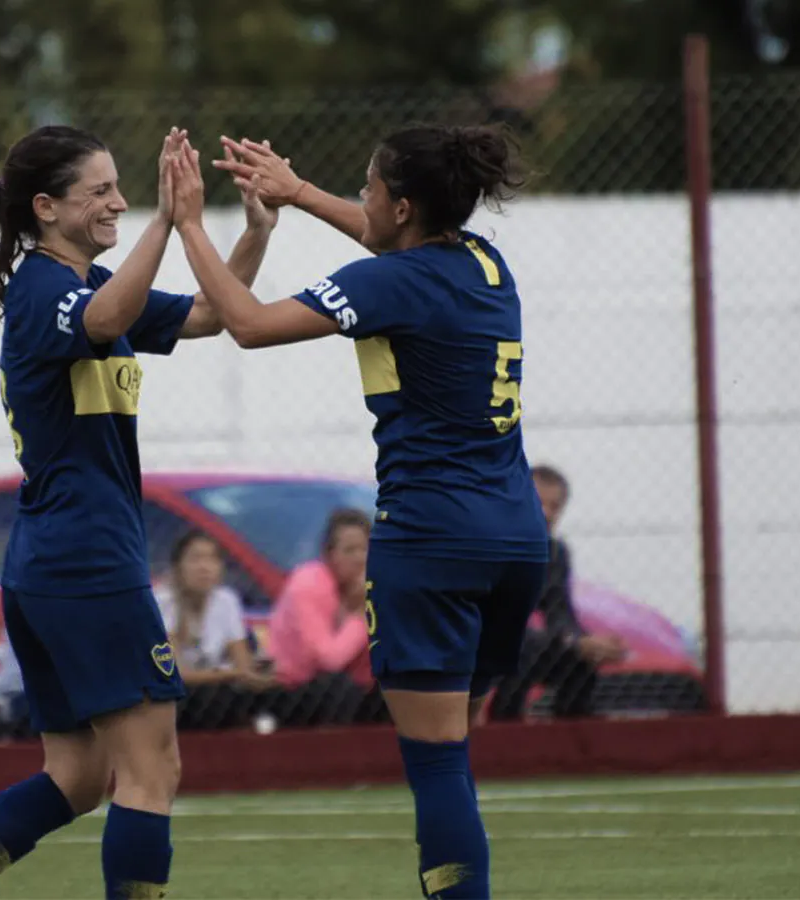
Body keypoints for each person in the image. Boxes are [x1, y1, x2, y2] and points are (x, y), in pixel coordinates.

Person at [0, 124, 278, 900]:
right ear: (46, 207)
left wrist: (256, 231)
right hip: (85, 560)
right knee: (152, 767)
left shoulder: (86, 284)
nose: (118, 203)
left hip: (54, 562)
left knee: (79, 776)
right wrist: (168, 222)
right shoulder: (46, 290)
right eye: (100, 191)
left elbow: (207, 315)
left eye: (121, 189)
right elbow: (101, 322)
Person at [168, 125, 548, 898]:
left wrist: (189, 226)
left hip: (431, 540)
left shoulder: (390, 283)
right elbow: (389, 245)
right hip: (515, 540)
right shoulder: (485, 263)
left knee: (435, 759)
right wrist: (299, 192)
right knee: (455, 747)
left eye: (368, 188)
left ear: (402, 206)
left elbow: (248, 325)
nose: (361, 199)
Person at [488, 465, 627, 721]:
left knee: (579, 661)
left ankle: (573, 734)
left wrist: (584, 643)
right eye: (538, 502)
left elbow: (560, 612)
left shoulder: (554, 553)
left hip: (519, 644)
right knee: (523, 647)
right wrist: (570, 641)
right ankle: (504, 727)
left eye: (555, 506)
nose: (547, 513)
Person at [266, 508, 382, 724]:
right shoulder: (308, 585)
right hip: (293, 689)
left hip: (347, 685)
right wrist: (360, 614)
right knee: (338, 688)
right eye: (349, 550)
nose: (360, 558)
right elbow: (328, 661)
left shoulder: (366, 586)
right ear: (329, 555)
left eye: (365, 548)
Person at [154, 530, 277, 729]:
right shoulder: (162, 602)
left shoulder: (226, 600)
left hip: (215, 688)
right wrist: (232, 674)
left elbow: (243, 663)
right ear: (178, 567)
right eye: (195, 559)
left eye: (212, 559)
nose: (204, 567)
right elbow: (176, 674)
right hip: (172, 696)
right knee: (210, 696)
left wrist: (256, 675)